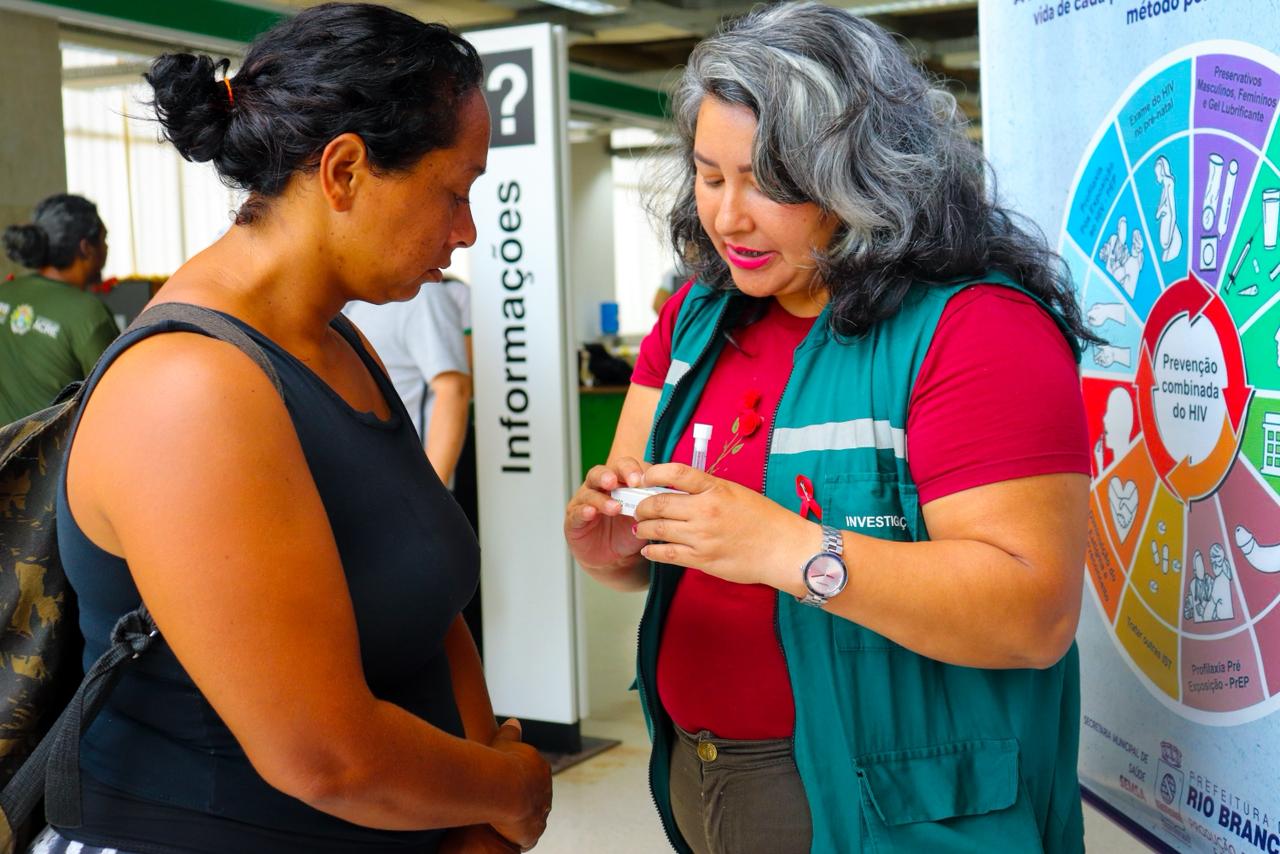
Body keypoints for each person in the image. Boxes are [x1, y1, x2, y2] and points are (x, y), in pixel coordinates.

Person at [564, 4, 1097, 852]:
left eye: (769, 183)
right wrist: (621, 550)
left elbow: (1030, 616)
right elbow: (650, 526)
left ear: (867, 173)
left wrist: (786, 549)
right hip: (698, 771)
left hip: (886, 799)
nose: (729, 218)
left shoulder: (976, 329)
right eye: (709, 176)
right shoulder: (696, 320)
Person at [47, 5, 550, 853]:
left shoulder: (334, 341)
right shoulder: (189, 391)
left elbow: (430, 611)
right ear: (346, 170)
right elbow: (324, 757)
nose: (464, 232)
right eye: (452, 193)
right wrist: (513, 785)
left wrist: (479, 818)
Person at [343, 274, 471, 486]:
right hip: (360, 481)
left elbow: (454, 389)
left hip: (406, 484)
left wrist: (434, 496)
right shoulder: (348, 305)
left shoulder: (422, 296)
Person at [1, 194, 117, 424]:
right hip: (53, 457)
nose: (106, 247)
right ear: (85, 248)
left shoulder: (5, 292)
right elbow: (117, 397)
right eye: (104, 239)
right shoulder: (88, 314)